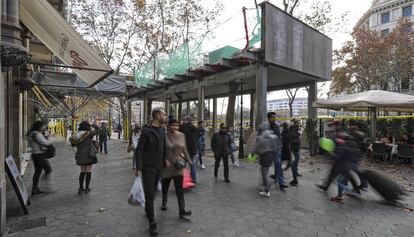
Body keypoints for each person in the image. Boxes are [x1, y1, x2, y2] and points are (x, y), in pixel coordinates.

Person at [135, 109, 166, 236]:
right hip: (148, 168)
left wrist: (165, 161)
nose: (164, 116)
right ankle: (152, 223)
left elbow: (163, 147)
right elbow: (140, 150)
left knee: (152, 193)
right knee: (149, 193)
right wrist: (139, 168)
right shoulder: (146, 131)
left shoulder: (162, 130)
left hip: (158, 167)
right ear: (157, 116)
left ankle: (148, 209)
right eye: (163, 114)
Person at [161, 119, 192, 218]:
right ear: (168, 126)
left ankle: (182, 210)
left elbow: (185, 149)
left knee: (179, 189)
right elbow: (159, 150)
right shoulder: (163, 135)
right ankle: (164, 202)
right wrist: (163, 160)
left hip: (178, 166)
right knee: (165, 187)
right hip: (167, 166)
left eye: (176, 125)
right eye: (172, 125)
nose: (175, 127)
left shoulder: (182, 135)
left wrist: (189, 161)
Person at [70, 121, 100, 194]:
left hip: (80, 155)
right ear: (87, 126)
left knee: (82, 171)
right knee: (88, 170)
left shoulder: (76, 135)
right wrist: (92, 124)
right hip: (89, 155)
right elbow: (98, 129)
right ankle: (87, 188)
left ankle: (80, 188)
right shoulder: (88, 134)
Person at [255, 123, 282, 197]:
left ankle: (267, 190)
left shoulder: (262, 136)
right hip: (271, 156)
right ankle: (266, 186)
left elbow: (257, 148)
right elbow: (279, 145)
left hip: (265, 156)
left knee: (264, 173)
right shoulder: (272, 134)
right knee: (265, 171)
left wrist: (253, 154)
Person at [27, 121, 53, 195]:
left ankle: (35, 188)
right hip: (39, 155)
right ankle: (43, 186)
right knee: (48, 169)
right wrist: (49, 139)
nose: (44, 128)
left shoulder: (32, 133)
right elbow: (45, 142)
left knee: (38, 172)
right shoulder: (36, 134)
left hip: (35, 155)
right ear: (39, 126)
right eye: (43, 126)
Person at [266, 112, 288, 191]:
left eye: (275, 117)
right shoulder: (265, 127)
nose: (275, 118)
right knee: (266, 167)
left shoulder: (276, 126)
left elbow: (279, 136)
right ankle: (264, 182)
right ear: (268, 118)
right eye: (273, 117)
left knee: (278, 165)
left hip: (277, 149)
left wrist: (280, 145)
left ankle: (282, 183)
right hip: (269, 150)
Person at [180, 117, 198, 183]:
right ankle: (193, 178)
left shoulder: (183, 127)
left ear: (186, 121)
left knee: (183, 164)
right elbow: (196, 138)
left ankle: (183, 179)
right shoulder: (194, 127)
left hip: (185, 149)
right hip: (192, 149)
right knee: (192, 164)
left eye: (184, 120)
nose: (183, 121)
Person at [289, 118, 302, 186]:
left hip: (296, 147)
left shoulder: (296, 128)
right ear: (296, 123)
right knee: (296, 160)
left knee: (297, 159)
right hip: (294, 147)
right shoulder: (293, 129)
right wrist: (298, 139)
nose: (300, 123)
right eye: (299, 122)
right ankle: (294, 175)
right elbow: (292, 139)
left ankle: (296, 172)